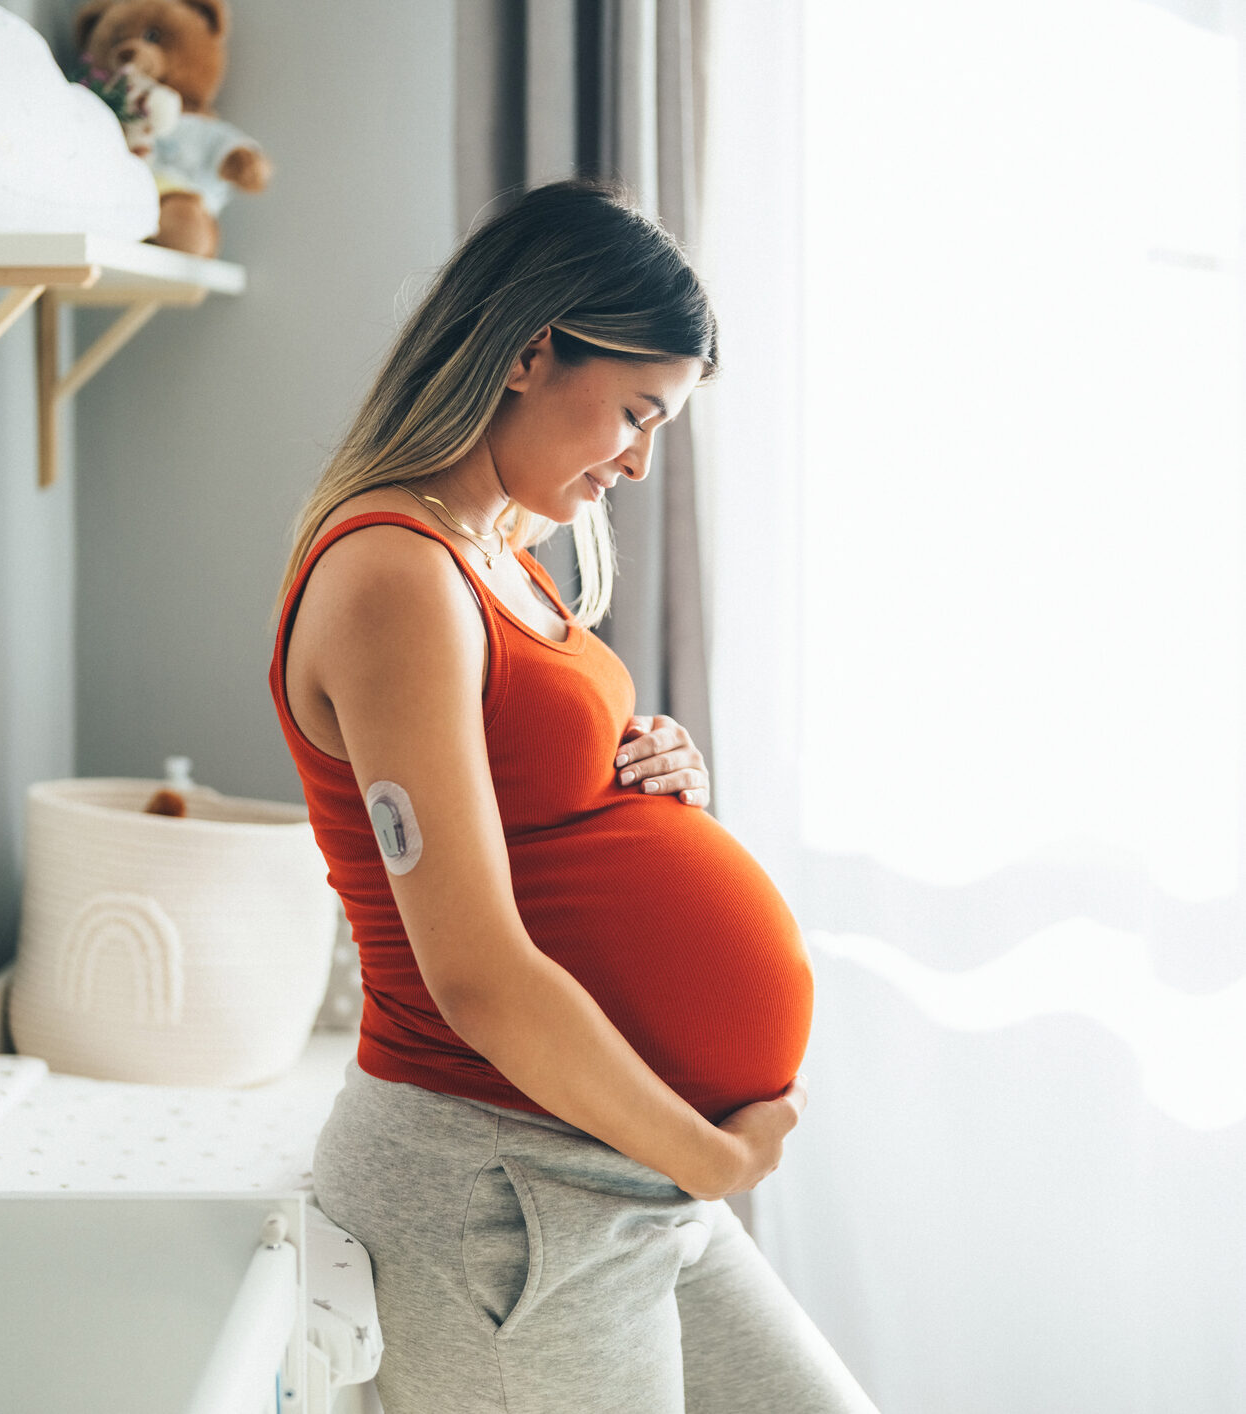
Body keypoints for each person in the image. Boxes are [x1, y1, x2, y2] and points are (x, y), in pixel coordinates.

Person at [267, 178, 878, 1414]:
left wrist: (657, 781)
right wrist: (711, 1154)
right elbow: (478, 973)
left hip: (613, 1162)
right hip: (503, 1190)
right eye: (636, 413)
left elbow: (534, 811)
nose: (643, 463)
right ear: (532, 351)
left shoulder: (501, 559)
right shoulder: (395, 572)